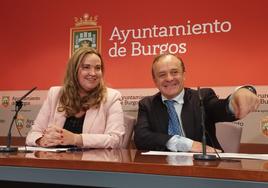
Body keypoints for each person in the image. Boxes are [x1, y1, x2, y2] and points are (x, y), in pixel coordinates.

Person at [134, 53, 260, 152]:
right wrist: (186, 144)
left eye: (174, 72)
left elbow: (220, 108)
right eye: (162, 75)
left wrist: (236, 99)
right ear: (155, 80)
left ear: (184, 75)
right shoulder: (147, 104)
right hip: (163, 170)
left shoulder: (202, 97)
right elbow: (141, 137)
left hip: (204, 169)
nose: (169, 78)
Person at [26, 47, 125, 148]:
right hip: (55, 160)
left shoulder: (111, 97)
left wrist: (75, 139)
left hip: (91, 162)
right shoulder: (55, 94)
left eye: (98, 68)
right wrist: (41, 140)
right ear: (74, 71)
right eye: (86, 67)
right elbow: (33, 134)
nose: (93, 73)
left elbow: (115, 140)